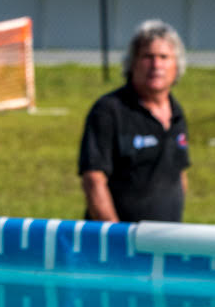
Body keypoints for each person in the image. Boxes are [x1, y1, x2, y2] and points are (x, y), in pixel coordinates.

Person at [78, 19, 191, 222]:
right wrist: (115, 236)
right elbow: (93, 180)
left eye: (164, 57)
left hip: (165, 241)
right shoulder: (108, 111)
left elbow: (179, 174)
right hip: (117, 244)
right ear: (133, 63)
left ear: (177, 65)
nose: (157, 65)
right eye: (148, 57)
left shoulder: (176, 113)